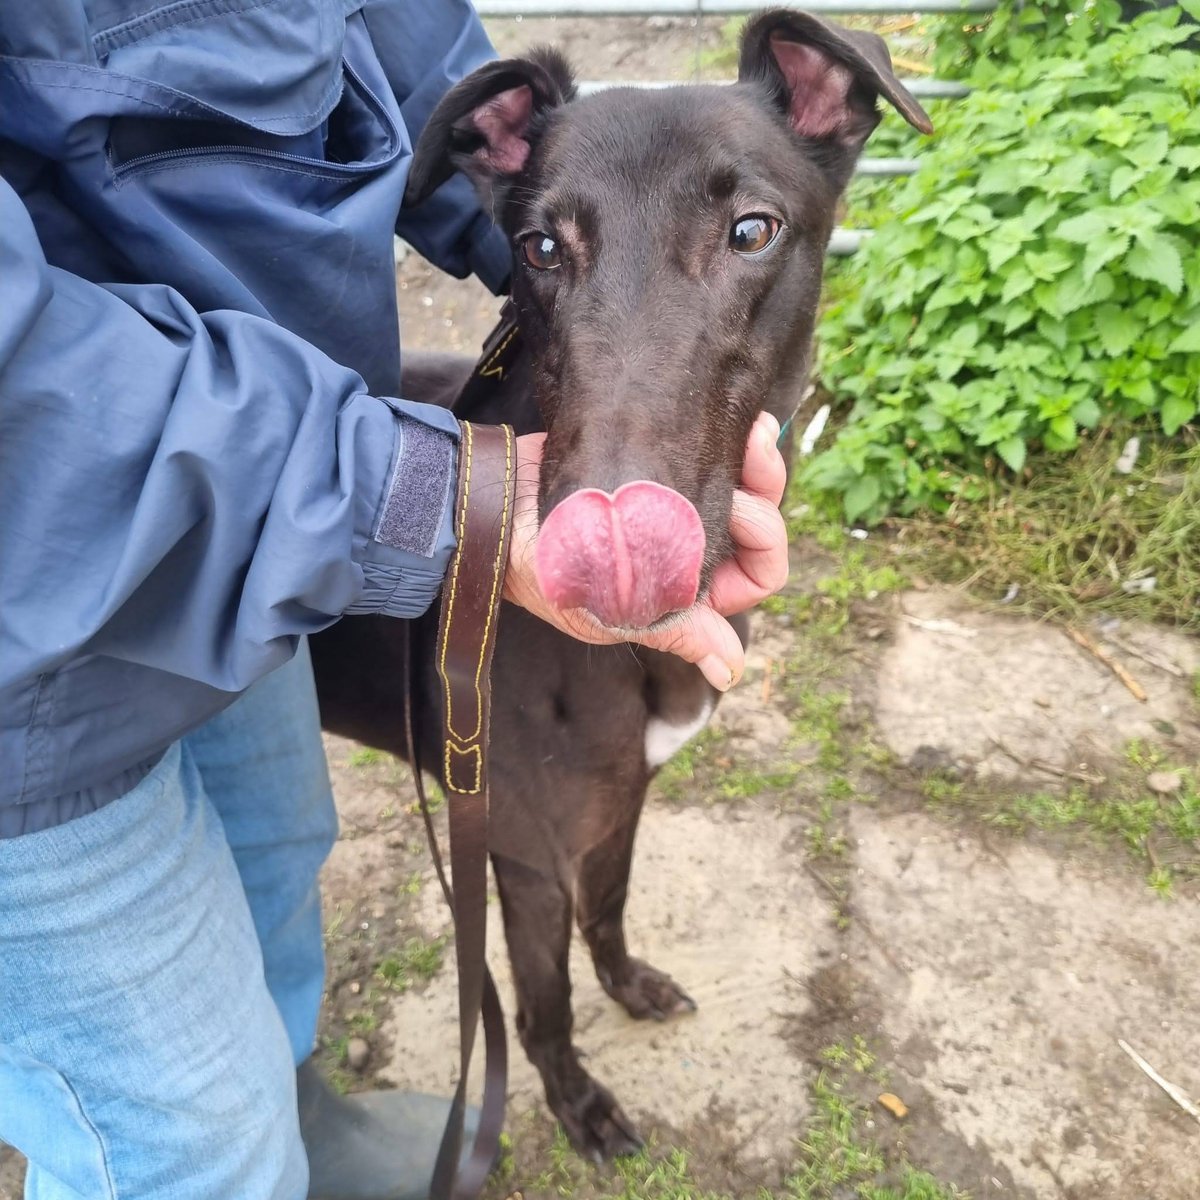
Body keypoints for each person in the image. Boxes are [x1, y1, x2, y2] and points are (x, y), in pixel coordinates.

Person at [0, 2, 789, 1198]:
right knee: (188, 1141)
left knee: (275, 863)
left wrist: (564, 212)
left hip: (251, 518)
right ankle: (462, 1091)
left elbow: (411, 58)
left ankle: (298, 1120)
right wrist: (412, 498)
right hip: (30, 631)